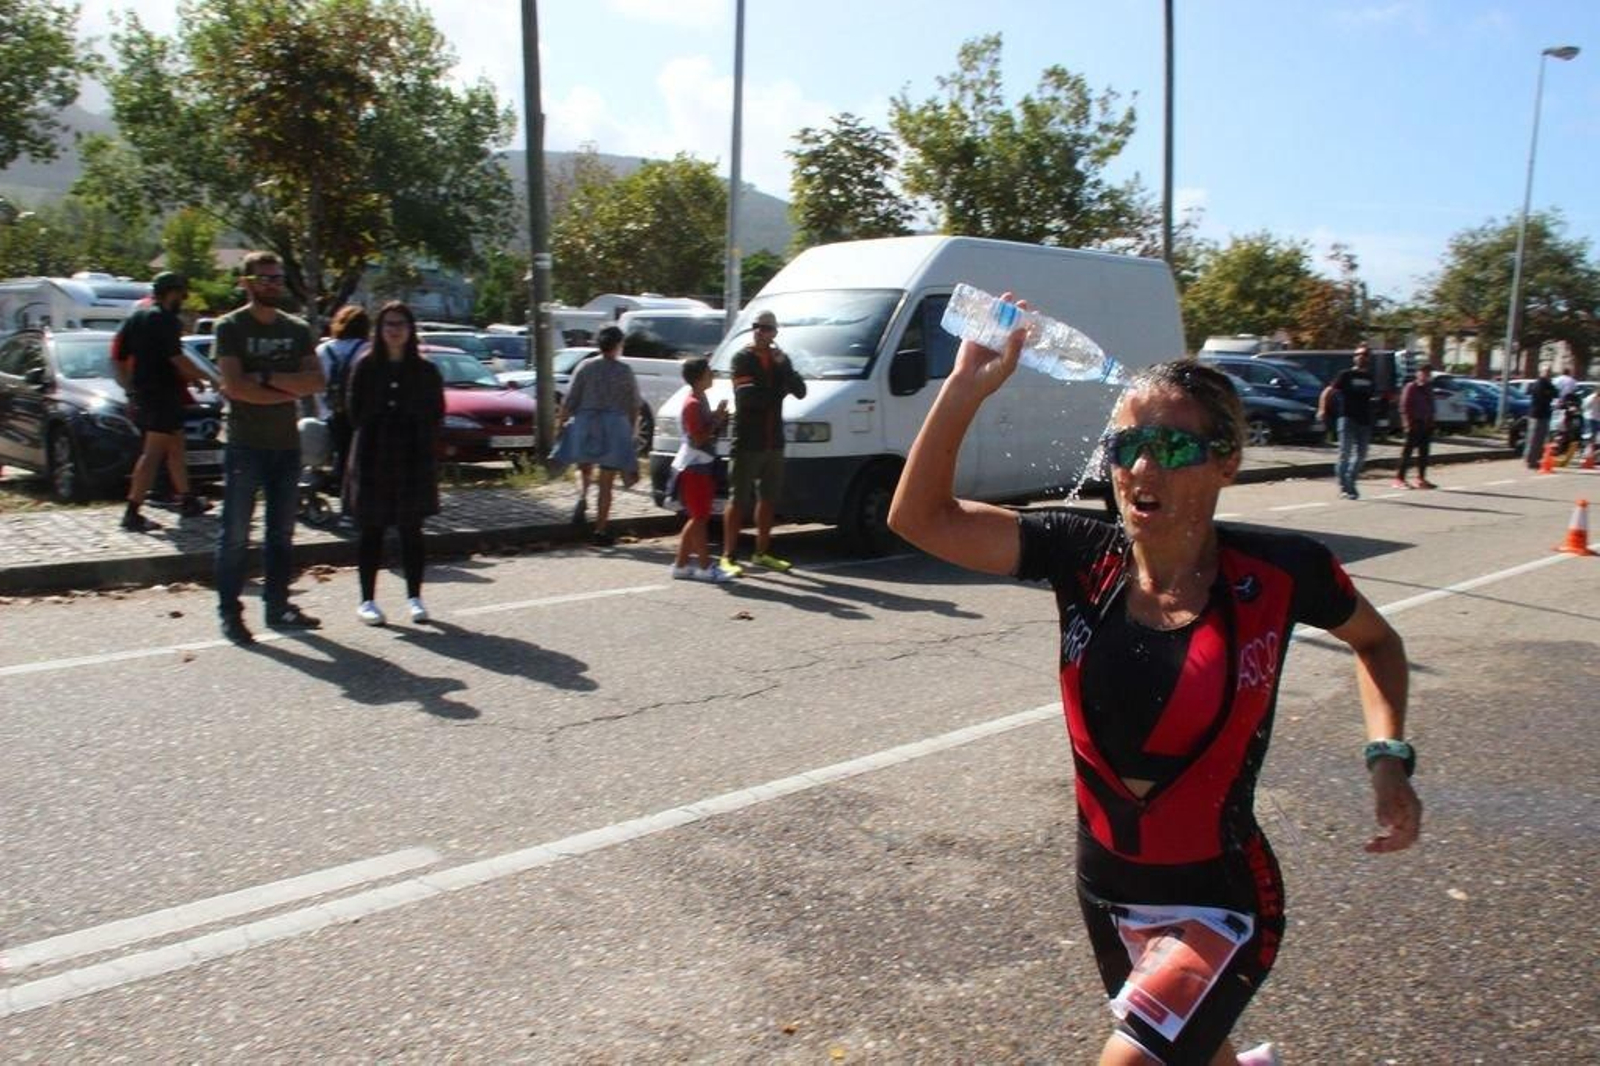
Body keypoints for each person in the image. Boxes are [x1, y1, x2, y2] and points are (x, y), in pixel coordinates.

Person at [888, 315, 1422, 1066]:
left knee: (1135, 1059)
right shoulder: (1079, 555)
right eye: (1126, 447)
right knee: (1192, 1052)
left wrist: (1387, 756)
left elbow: (1378, 642)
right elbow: (919, 518)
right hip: (1105, 888)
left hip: (1222, 897)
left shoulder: (1282, 572)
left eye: (1171, 448)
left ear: (1226, 462)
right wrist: (962, 390)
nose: (1142, 468)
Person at [213, 252, 326, 644]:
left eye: (277, 278)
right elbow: (235, 387)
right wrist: (285, 388)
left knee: (281, 533)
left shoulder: (296, 329)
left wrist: (262, 376)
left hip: (286, 446)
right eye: (264, 278)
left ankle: (278, 606)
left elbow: (315, 382)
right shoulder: (230, 327)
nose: (273, 284)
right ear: (247, 282)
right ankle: (230, 613)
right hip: (245, 445)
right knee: (235, 535)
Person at [344, 302, 445, 625]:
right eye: (388, 324)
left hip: (412, 457)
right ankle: (367, 600)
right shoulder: (365, 366)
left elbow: (436, 413)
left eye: (401, 324)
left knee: (411, 529)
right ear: (379, 329)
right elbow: (353, 411)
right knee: (371, 529)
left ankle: (415, 597)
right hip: (372, 455)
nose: (394, 330)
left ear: (411, 329)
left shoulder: (426, 370)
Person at [112, 271, 211, 531]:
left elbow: (119, 357)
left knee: (176, 445)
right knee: (153, 453)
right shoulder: (166, 320)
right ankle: (132, 511)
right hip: (162, 395)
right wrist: (210, 377)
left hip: (149, 393)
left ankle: (187, 500)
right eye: (181, 294)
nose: (183, 300)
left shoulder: (136, 318)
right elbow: (177, 358)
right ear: (172, 293)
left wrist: (131, 389)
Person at [719, 308, 807, 576]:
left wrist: (784, 368)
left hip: (773, 441)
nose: (760, 332)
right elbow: (749, 399)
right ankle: (728, 556)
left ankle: (762, 553)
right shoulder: (742, 358)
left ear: (774, 333)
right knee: (738, 500)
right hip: (747, 440)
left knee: (768, 499)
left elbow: (801, 391)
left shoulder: (780, 359)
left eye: (766, 328)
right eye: (756, 326)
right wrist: (780, 390)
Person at [551, 325, 639, 546]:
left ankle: (582, 497)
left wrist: (560, 424)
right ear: (618, 345)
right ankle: (600, 530)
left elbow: (570, 399)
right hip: (614, 427)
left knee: (583, 467)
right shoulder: (625, 370)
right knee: (606, 482)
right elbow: (634, 404)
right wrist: (630, 431)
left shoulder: (585, 366)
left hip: (586, 423)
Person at [668, 356, 732, 582]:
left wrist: (718, 417)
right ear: (699, 377)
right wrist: (716, 420)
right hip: (694, 467)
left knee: (698, 517)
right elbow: (698, 438)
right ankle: (705, 566)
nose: (712, 375)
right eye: (709, 372)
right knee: (700, 518)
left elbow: (705, 431)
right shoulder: (693, 404)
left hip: (701, 465)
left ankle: (681, 565)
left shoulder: (700, 398)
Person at [314, 304, 371, 509]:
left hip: (331, 412)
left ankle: (335, 487)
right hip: (359, 414)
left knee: (338, 453)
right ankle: (353, 499)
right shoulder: (367, 349)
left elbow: (317, 384)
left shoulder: (323, 350)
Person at [1321, 345, 1376, 499]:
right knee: (1344, 453)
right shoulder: (1346, 375)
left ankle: (1350, 481)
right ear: (1354, 357)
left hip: (1364, 420)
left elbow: (1370, 398)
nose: (1361, 357)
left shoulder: (1370, 377)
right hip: (1347, 418)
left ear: (1369, 358)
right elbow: (1328, 391)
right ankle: (1345, 488)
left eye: (1365, 354)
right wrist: (1322, 409)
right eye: (1358, 354)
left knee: (1362, 455)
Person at [1393, 363, 1436, 489]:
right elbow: (1404, 406)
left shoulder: (1428, 388)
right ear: (1418, 374)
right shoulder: (1411, 387)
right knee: (1407, 453)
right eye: (1424, 372)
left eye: (1428, 373)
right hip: (1413, 424)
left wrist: (1431, 422)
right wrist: (1407, 423)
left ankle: (1421, 479)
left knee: (1424, 453)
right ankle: (1399, 479)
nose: (1426, 375)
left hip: (1426, 424)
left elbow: (1431, 407)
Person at [1524, 366, 1557, 469]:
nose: (1549, 374)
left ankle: (1536, 459)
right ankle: (1531, 460)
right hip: (1538, 415)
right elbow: (1543, 396)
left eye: (1550, 372)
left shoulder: (1548, 384)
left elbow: (1555, 393)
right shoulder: (1539, 384)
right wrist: (1549, 393)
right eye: (1546, 372)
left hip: (1544, 414)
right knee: (1534, 439)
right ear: (1541, 372)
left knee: (1540, 439)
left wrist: (1550, 390)